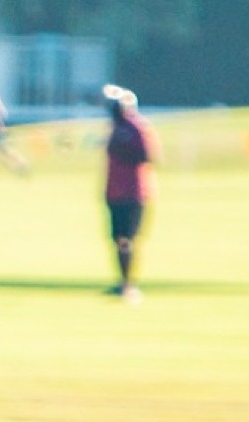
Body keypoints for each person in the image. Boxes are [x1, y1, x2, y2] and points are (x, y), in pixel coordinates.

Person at [103, 85, 158, 304]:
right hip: (114, 192)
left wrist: (121, 146)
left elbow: (147, 155)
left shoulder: (135, 128)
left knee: (127, 239)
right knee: (118, 239)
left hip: (133, 192)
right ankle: (123, 282)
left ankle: (128, 285)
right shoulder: (115, 129)